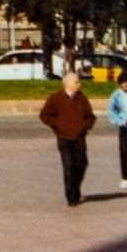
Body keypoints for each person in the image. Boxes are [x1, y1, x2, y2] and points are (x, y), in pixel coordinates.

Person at [40, 72, 96, 206]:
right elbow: (44, 115)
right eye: (76, 82)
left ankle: (75, 189)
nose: (79, 85)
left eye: (79, 82)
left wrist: (85, 126)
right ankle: (71, 198)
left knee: (81, 165)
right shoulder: (55, 98)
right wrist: (58, 125)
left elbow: (91, 117)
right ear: (68, 84)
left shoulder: (82, 98)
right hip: (64, 138)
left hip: (79, 138)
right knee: (69, 167)